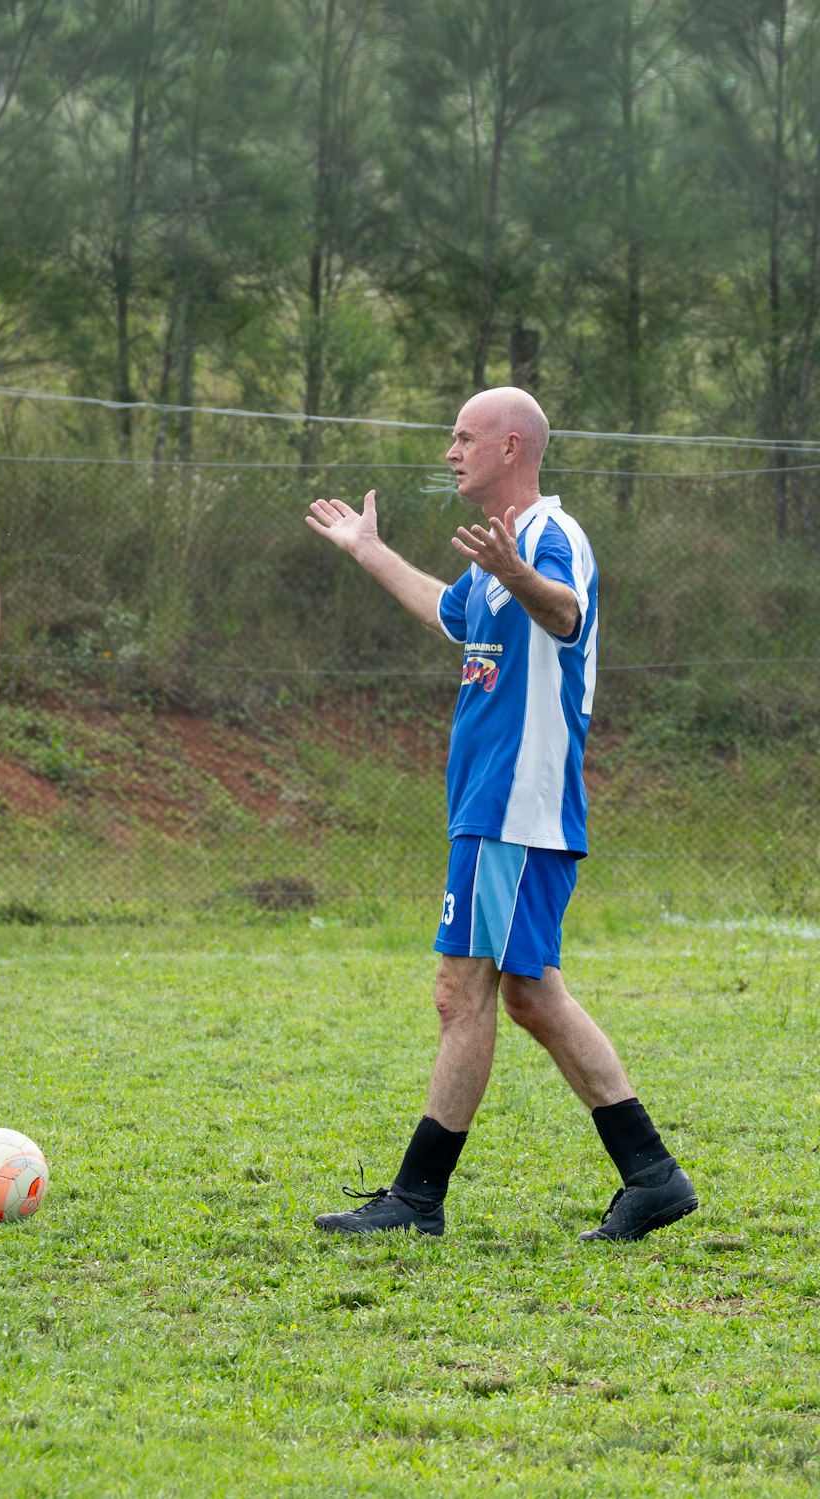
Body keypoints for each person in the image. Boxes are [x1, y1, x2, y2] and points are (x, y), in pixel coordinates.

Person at [305, 386, 697, 1243]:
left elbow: (565, 611)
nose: (450, 451)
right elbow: (447, 611)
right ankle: (653, 1176)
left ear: (511, 446)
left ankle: (417, 1198)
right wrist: (369, 550)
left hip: (518, 802)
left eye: (463, 437)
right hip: (494, 804)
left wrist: (516, 572)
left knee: (464, 992)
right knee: (527, 993)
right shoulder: (495, 554)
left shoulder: (552, 537)